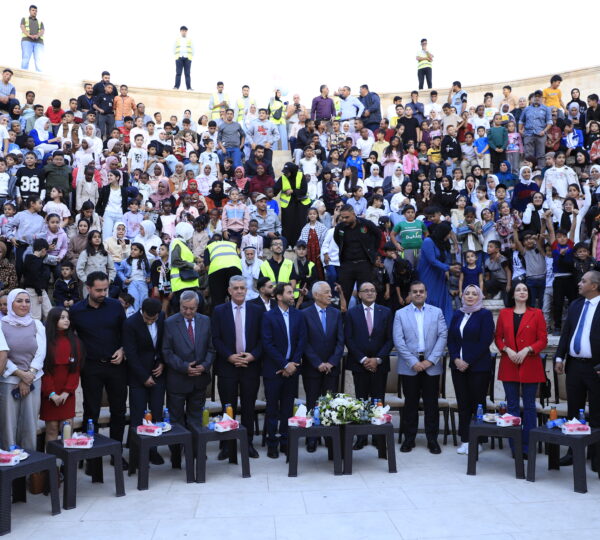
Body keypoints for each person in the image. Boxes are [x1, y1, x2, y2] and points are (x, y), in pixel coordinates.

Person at [70, 272, 128, 469]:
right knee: (91, 410)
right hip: (91, 367)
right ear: (88, 288)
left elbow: (126, 332)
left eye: (105, 289)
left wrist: (123, 349)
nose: (103, 293)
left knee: (118, 410)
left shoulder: (115, 306)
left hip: (116, 365)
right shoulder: (76, 311)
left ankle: (116, 453)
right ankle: (92, 456)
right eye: (99, 290)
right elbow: (70, 338)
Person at [211, 276, 263, 459]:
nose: (239, 291)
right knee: (228, 407)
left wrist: (253, 355)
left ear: (246, 290)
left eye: (242, 288)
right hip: (227, 367)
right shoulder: (219, 310)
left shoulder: (257, 311)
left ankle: (247, 443)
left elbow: (263, 338)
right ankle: (227, 445)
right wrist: (230, 356)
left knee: (248, 407)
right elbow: (215, 338)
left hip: (250, 366)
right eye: (236, 288)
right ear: (229, 290)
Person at [394, 281, 448, 454]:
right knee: (410, 404)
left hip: (431, 365)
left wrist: (430, 361)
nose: (418, 294)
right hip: (409, 366)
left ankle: (432, 440)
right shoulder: (400, 314)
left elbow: (443, 336)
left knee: (431, 404)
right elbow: (398, 340)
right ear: (409, 294)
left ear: (426, 294)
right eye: (415, 291)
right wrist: (413, 362)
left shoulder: (437, 312)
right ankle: (409, 439)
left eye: (421, 291)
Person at [495, 282, 548, 459]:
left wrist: (528, 350)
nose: (522, 292)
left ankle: (528, 446)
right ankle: (515, 446)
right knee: (512, 406)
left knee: (530, 406)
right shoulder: (504, 313)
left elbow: (543, 340)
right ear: (512, 294)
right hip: (509, 363)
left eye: (525, 289)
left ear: (529, 294)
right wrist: (507, 350)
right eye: (518, 289)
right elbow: (498, 338)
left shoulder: (537, 313)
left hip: (530, 363)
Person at [163, 290, 214, 467]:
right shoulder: (170, 323)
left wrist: (204, 366)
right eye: (185, 308)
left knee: (196, 419)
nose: (188, 312)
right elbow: (166, 352)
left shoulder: (206, 321)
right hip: (178, 380)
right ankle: (176, 455)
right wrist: (185, 367)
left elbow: (211, 349)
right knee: (176, 420)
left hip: (199, 379)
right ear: (180, 306)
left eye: (192, 308)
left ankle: (197, 452)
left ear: (197, 306)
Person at [555, 271, 600, 468]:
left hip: (595, 368)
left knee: (597, 414)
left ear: (594, 286)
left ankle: (596, 458)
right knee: (573, 411)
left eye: (583, 281)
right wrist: (559, 357)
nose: (579, 284)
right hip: (574, 366)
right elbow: (566, 333)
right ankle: (573, 453)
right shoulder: (575, 304)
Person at [344, 281, 393, 449]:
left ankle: (379, 438)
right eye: (366, 290)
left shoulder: (386, 312)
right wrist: (364, 359)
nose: (370, 293)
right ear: (359, 294)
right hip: (360, 365)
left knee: (378, 401)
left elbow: (390, 339)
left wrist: (377, 359)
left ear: (376, 294)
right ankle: (361, 437)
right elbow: (349, 338)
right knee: (361, 401)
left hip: (380, 365)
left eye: (372, 290)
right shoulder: (352, 313)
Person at [447, 285, 495, 454]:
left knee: (477, 404)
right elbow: (451, 339)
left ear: (479, 297)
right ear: (462, 296)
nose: (470, 296)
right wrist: (456, 358)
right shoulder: (457, 314)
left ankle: (478, 440)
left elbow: (485, 340)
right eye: (467, 293)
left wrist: (467, 361)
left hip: (478, 367)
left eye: (474, 294)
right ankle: (465, 439)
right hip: (457, 367)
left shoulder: (485, 315)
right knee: (463, 404)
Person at [262, 282, 306, 458]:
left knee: (288, 408)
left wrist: (292, 364)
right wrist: (284, 364)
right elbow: (267, 343)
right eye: (289, 292)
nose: (292, 296)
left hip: (292, 370)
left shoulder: (298, 315)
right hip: (273, 370)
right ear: (279, 296)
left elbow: (302, 340)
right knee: (272, 408)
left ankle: (286, 442)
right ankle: (272, 442)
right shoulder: (268, 316)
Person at [122, 297, 165, 467]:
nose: (150, 321)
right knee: (138, 416)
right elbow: (131, 354)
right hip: (138, 375)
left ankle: (153, 450)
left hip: (157, 372)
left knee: (156, 413)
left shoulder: (161, 317)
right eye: (147, 318)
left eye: (153, 319)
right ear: (142, 311)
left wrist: (162, 363)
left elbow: (162, 344)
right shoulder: (130, 323)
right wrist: (143, 377)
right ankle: (137, 454)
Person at [301, 281, 344, 452]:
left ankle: (329, 437)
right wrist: (317, 363)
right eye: (326, 292)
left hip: (332, 368)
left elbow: (340, 341)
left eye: (330, 292)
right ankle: (312, 438)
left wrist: (331, 362)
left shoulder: (336, 313)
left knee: (329, 403)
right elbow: (304, 342)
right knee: (312, 403)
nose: (330, 295)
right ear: (316, 295)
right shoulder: (305, 314)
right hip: (312, 368)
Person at [0, 289, 45, 450]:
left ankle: (30, 461)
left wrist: (29, 376)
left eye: (27, 301)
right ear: (10, 303)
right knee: (8, 423)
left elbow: (41, 352)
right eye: (19, 301)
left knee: (30, 422)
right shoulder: (1, 324)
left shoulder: (37, 324)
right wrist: (20, 374)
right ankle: (9, 459)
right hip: (9, 380)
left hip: (33, 380)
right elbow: (2, 355)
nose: (24, 304)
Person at [40, 307, 82, 445]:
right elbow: (44, 370)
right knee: (51, 429)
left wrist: (66, 392)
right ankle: (51, 459)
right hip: (50, 392)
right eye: (62, 318)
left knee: (67, 427)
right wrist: (51, 393)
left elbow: (75, 370)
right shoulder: (45, 341)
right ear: (54, 320)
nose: (66, 320)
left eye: (67, 318)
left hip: (67, 393)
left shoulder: (75, 341)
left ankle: (67, 458)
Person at [334, 204, 381, 304]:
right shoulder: (340, 227)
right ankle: (343, 314)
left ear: (353, 214)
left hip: (364, 264)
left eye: (347, 217)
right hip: (347, 265)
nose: (344, 220)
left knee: (365, 294)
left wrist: (373, 252)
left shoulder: (366, 224)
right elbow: (337, 239)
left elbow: (378, 235)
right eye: (342, 217)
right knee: (344, 294)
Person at [417, 221, 455, 325]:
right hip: (428, 275)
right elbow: (432, 260)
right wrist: (448, 268)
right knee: (430, 299)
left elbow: (444, 258)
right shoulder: (428, 241)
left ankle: (445, 327)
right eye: (448, 233)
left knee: (442, 300)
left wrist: (446, 268)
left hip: (439, 275)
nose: (449, 236)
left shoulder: (441, 243)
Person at [274, 162, 311, 247]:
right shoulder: (283, 177)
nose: (285, 174)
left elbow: (304, 190)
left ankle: (300, 244)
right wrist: (270, 193)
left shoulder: (301, 175)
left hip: (301, 204)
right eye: (284, 172)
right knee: (287, 225)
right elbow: (275, 190)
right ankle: (287, 244)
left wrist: (292, 191)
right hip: (288, 205)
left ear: (293, 171)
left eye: (287, 172)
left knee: (300, 224)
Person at [518, 90, 552, 169]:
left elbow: (549, 122)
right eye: (535, 96)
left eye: (539, 97)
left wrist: (544, 131)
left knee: (541, 154)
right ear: (532, 98)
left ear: (542, 98)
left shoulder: (546, 109)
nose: (537, 98)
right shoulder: (527, 109)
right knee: (528, 155)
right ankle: (529, 170)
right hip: (528, 134)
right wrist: (520, 130)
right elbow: (521, 121)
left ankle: (540, 170)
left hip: (541, 134)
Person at [20, 5, 44, 72]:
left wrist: (37, 35)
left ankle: (40, 75)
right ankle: (23, 73)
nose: (35, 12)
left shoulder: (40, 22)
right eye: (33, 10)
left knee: (39, 60)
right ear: (29, 11)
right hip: (27, 41)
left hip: (39, 42)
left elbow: (42, 31)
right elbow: (22, 27)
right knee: (26, 58)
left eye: (36, 11)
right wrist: (29, 35)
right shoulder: (24, 19)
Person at [173, 26, 194, 91]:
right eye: (182, 31)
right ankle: (176, 87)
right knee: (178, 73)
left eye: (185, 31)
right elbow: (174, 49)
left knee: (187, 74)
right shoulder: (177, 40)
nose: (184, 32)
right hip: (179, 58)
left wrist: (190, 58)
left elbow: (193, 49)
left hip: (187, 58)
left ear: (186, 32)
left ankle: (189, 88)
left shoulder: (189, 40)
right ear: (180, 31)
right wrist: (177, 56)